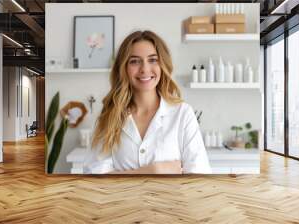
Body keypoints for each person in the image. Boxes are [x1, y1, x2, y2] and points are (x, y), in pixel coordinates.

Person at [84, 30, 211, 174]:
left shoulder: (182, 113)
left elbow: (199, 178)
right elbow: (95, 179)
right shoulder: (110, 116)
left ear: (162, 65)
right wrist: (155, 170)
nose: (144, 69)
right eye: (135, 61)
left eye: (153, 60)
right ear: (124, 68)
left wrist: (123, 175)